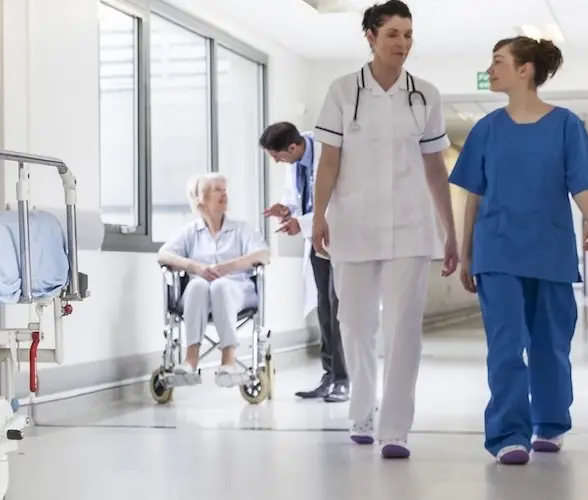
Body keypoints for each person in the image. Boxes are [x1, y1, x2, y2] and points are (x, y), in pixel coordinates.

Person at [307, 0, 459, 459]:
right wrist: (318, 217)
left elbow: (435, 167)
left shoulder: (425, 95)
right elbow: (328, 160)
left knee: (404, 329)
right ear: (370, 37)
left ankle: (395, 428)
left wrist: (449, 230)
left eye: (409, 35)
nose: (403, 44)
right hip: (353, 224)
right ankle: (362, 412)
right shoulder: (341, 91)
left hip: (411, 227)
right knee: (354, 324)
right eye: (393, 34)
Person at [449, 36, 588, 466]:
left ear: (525, 70)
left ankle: (550, 423)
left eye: (498, 61)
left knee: (550, 343)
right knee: (505, 344)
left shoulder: (565, 124)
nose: (491, 68)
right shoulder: (486, 130)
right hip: (497, 250)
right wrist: (466, 252)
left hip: (550, 249)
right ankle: (507, 434)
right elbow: (474, 198)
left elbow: (581, 179)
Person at [259, 122, 347, 403]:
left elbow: (337, 201)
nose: (277, 161)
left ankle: (343, 379)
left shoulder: (329, 152)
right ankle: (329, 375)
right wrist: (287, 211)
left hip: (340, 238)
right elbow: (304, 202)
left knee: (338, 309)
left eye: (278, 155)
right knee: (324, 309)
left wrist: (302, 222)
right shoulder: (296, 163)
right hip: (318, 242)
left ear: (294, 147)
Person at [157, 173, 271, 389]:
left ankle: (228, 360)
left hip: (237, 291)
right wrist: (195, 267)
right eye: (217, 189)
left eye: (225, 188)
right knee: (199, 284)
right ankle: (191, 360)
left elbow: (263, 255)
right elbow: (163, 255)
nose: (224, 193)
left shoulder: (241, 229)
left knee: (220, 285)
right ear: (201, 198)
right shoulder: (191, 231)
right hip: (196, 297)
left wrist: (227, 267)